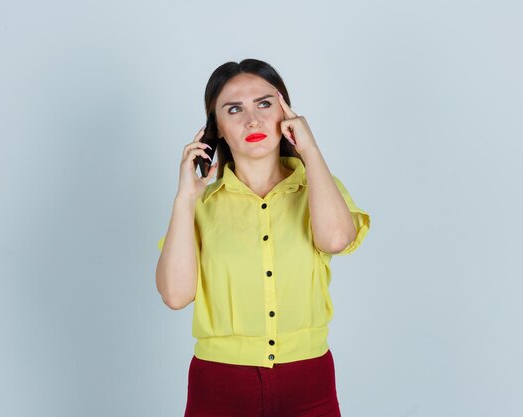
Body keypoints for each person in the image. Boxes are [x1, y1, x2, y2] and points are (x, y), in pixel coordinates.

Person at [155, 58, 370, 417]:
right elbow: (175, 296)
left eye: (264, 104)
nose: (252, 120)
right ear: (217, 127)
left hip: (309, 381)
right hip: (219, 386)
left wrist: (310, 150)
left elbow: (336, 239)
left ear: (286, 113)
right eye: (234, 109)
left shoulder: (318, 187)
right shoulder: (201, 205)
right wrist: (185, 198)